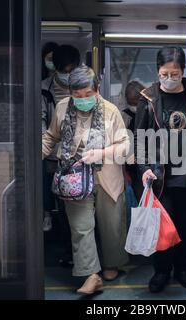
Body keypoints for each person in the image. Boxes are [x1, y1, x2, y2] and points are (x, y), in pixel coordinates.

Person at [42, 65, 130, 295]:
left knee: (111, 225)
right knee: (81, 228)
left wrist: (100, 153)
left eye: (88, 95)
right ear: (70, 93)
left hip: (107, 176)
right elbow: (51, 136)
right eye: (77, 96)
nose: (82, 100)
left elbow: (125, 146)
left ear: (97, 89)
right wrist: (34, 155)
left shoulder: (111, 111)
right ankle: (91, 275)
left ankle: (112, 264)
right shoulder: (62, 108)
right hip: (74, 179)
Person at [135, 47, 186, 293]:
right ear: (157, 71)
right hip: (159, 175)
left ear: (184, 71)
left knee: (185, 226)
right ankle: (162, 271)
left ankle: (183, 268)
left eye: (175, 73)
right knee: (161, 226)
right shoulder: (148, 97)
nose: (170, 78)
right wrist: (143, 168)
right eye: (165, 73)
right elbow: (139, 138)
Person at [41, 45, 81, 268]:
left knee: (81, 208)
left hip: (81, 158)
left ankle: (79, 251)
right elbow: (42, 126)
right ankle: (69, 250)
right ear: (55, 69)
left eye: (72, 69)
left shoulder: (85, 85)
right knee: (64, 208)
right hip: (55, 158)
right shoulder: (45, 90)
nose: (69, 74)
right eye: (64, 70)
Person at [121, 80, 146, 200]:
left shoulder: (151, 112)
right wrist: (124, 171)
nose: (134, 107)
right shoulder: (125, 117)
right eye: (131, 103)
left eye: (137, 103)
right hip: (132, 169)